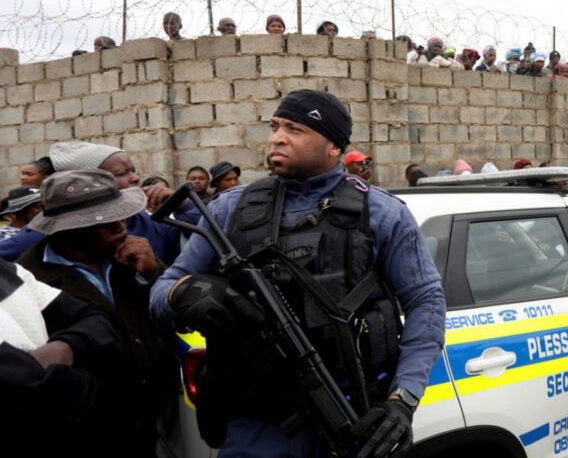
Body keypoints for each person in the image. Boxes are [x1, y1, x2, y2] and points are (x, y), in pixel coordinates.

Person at [150, 89, 446, 457]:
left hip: (351, 416)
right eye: (274, 126)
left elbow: (426, 302)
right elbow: (160, 293)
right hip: (255, 425)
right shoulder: (228, 208)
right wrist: (184, 293)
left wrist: (403, 399)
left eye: (295, 128)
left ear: (334, 146)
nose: (277, 137)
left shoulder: (383, 213)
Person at [18, 168, 179, 456]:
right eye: (105, 220)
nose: (121, 227)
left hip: (147, 420)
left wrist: (154, 274)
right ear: (68, 230)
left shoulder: (130, 258)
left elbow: (174, 313)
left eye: (121, 215)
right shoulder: (29, 280)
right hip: (83, 432)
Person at [0, 256, 119, 454]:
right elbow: (32, 393)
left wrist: (62, 349)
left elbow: (97, 321)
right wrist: (86, 376)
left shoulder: (11, 272)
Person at [0, 141, 181, 264]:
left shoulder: (148, 221)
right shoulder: (50, 232)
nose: (135, 178)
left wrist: (183, 204)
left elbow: (199, 245)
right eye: (121, 173)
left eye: (133, 171)